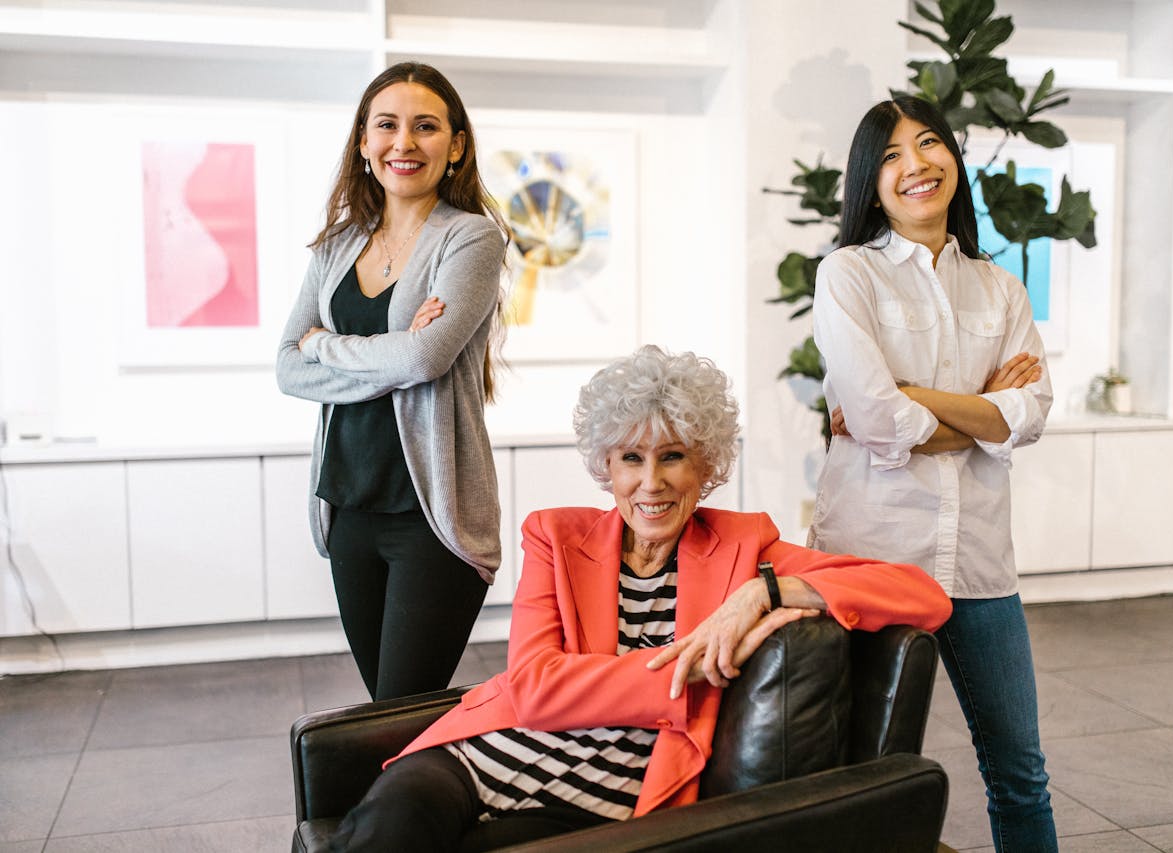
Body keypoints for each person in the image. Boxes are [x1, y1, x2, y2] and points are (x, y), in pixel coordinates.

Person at [320, 345, 953, 852]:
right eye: (632, 458)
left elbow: (921, 596)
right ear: (608, 466)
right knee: (388, 828)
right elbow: (535, 687)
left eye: (672, 457)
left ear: (704, 466)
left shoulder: (742, 547)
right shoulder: (556, 535)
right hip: (487, 751)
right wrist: (687, 665)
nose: (651, 483)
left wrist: (765, 591)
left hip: (606, 793)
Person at [808, 95, 1057, 852]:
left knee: (1020, 769)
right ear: (870, 182)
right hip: (873, 555)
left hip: (979, 563)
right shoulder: (849, 275)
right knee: (864, 776)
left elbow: (1034, 410)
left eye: (927, 144)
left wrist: (920, 403)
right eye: (889, 155)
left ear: (952, 155)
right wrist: (985, 411)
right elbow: (880, 418)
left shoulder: (1000, 287)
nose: (914, 165)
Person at [276, 62, 508, 701]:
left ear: (455, 144)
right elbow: (288, 369)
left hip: (430, 513)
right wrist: (390, 352)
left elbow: (424, 362)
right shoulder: (336, 245)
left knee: (406, 703)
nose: (403, 143)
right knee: (381, 710)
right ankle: (400, 802)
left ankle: (417, 802)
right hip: (347, 503)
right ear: (363, 140)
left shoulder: (471, 239)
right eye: (387, 125)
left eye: (426, 127)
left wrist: (326, 344)